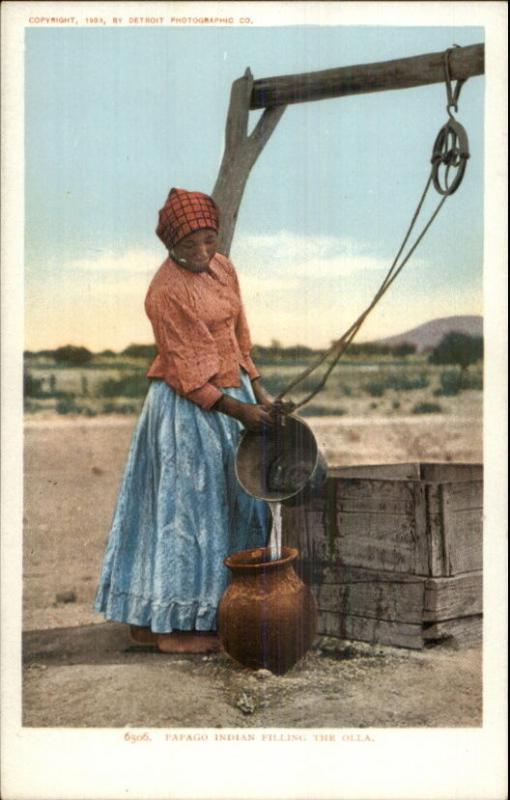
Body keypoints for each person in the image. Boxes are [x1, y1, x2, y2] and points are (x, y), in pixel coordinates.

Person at [94, 188, 277, 654]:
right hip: (187, 409)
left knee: (234, 503)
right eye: (189, 246)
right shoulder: (165, 291)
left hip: (230, 397)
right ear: (170, 246)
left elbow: (239, 334)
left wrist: (259, 387)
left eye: (209, 241)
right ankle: (176, 626)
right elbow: (190, 374)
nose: (201, 253)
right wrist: (241, 411)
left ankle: (200, 614)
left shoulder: (223, 267)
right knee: (188, 511)